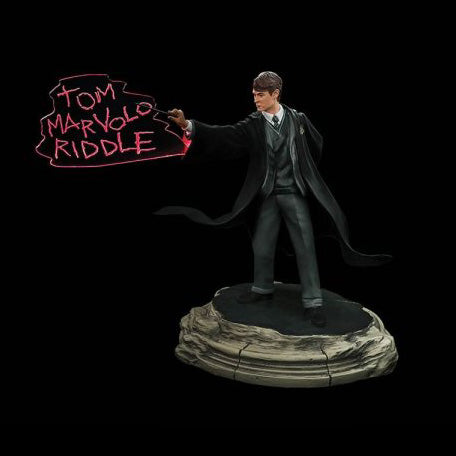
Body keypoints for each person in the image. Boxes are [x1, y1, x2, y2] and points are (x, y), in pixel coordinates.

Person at [161, 71, 391, 327]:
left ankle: (313, 302)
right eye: (254, 95)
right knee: (262, 244)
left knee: (305, 248)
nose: (255, 100)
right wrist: (188, 125)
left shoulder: (298, 120)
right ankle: (262, 289)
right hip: (269, 195)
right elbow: (225, 135)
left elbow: (316, 144)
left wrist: (304, 173)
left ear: (275, 94)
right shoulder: (253, 124)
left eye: (260, 95)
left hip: (294, 194)